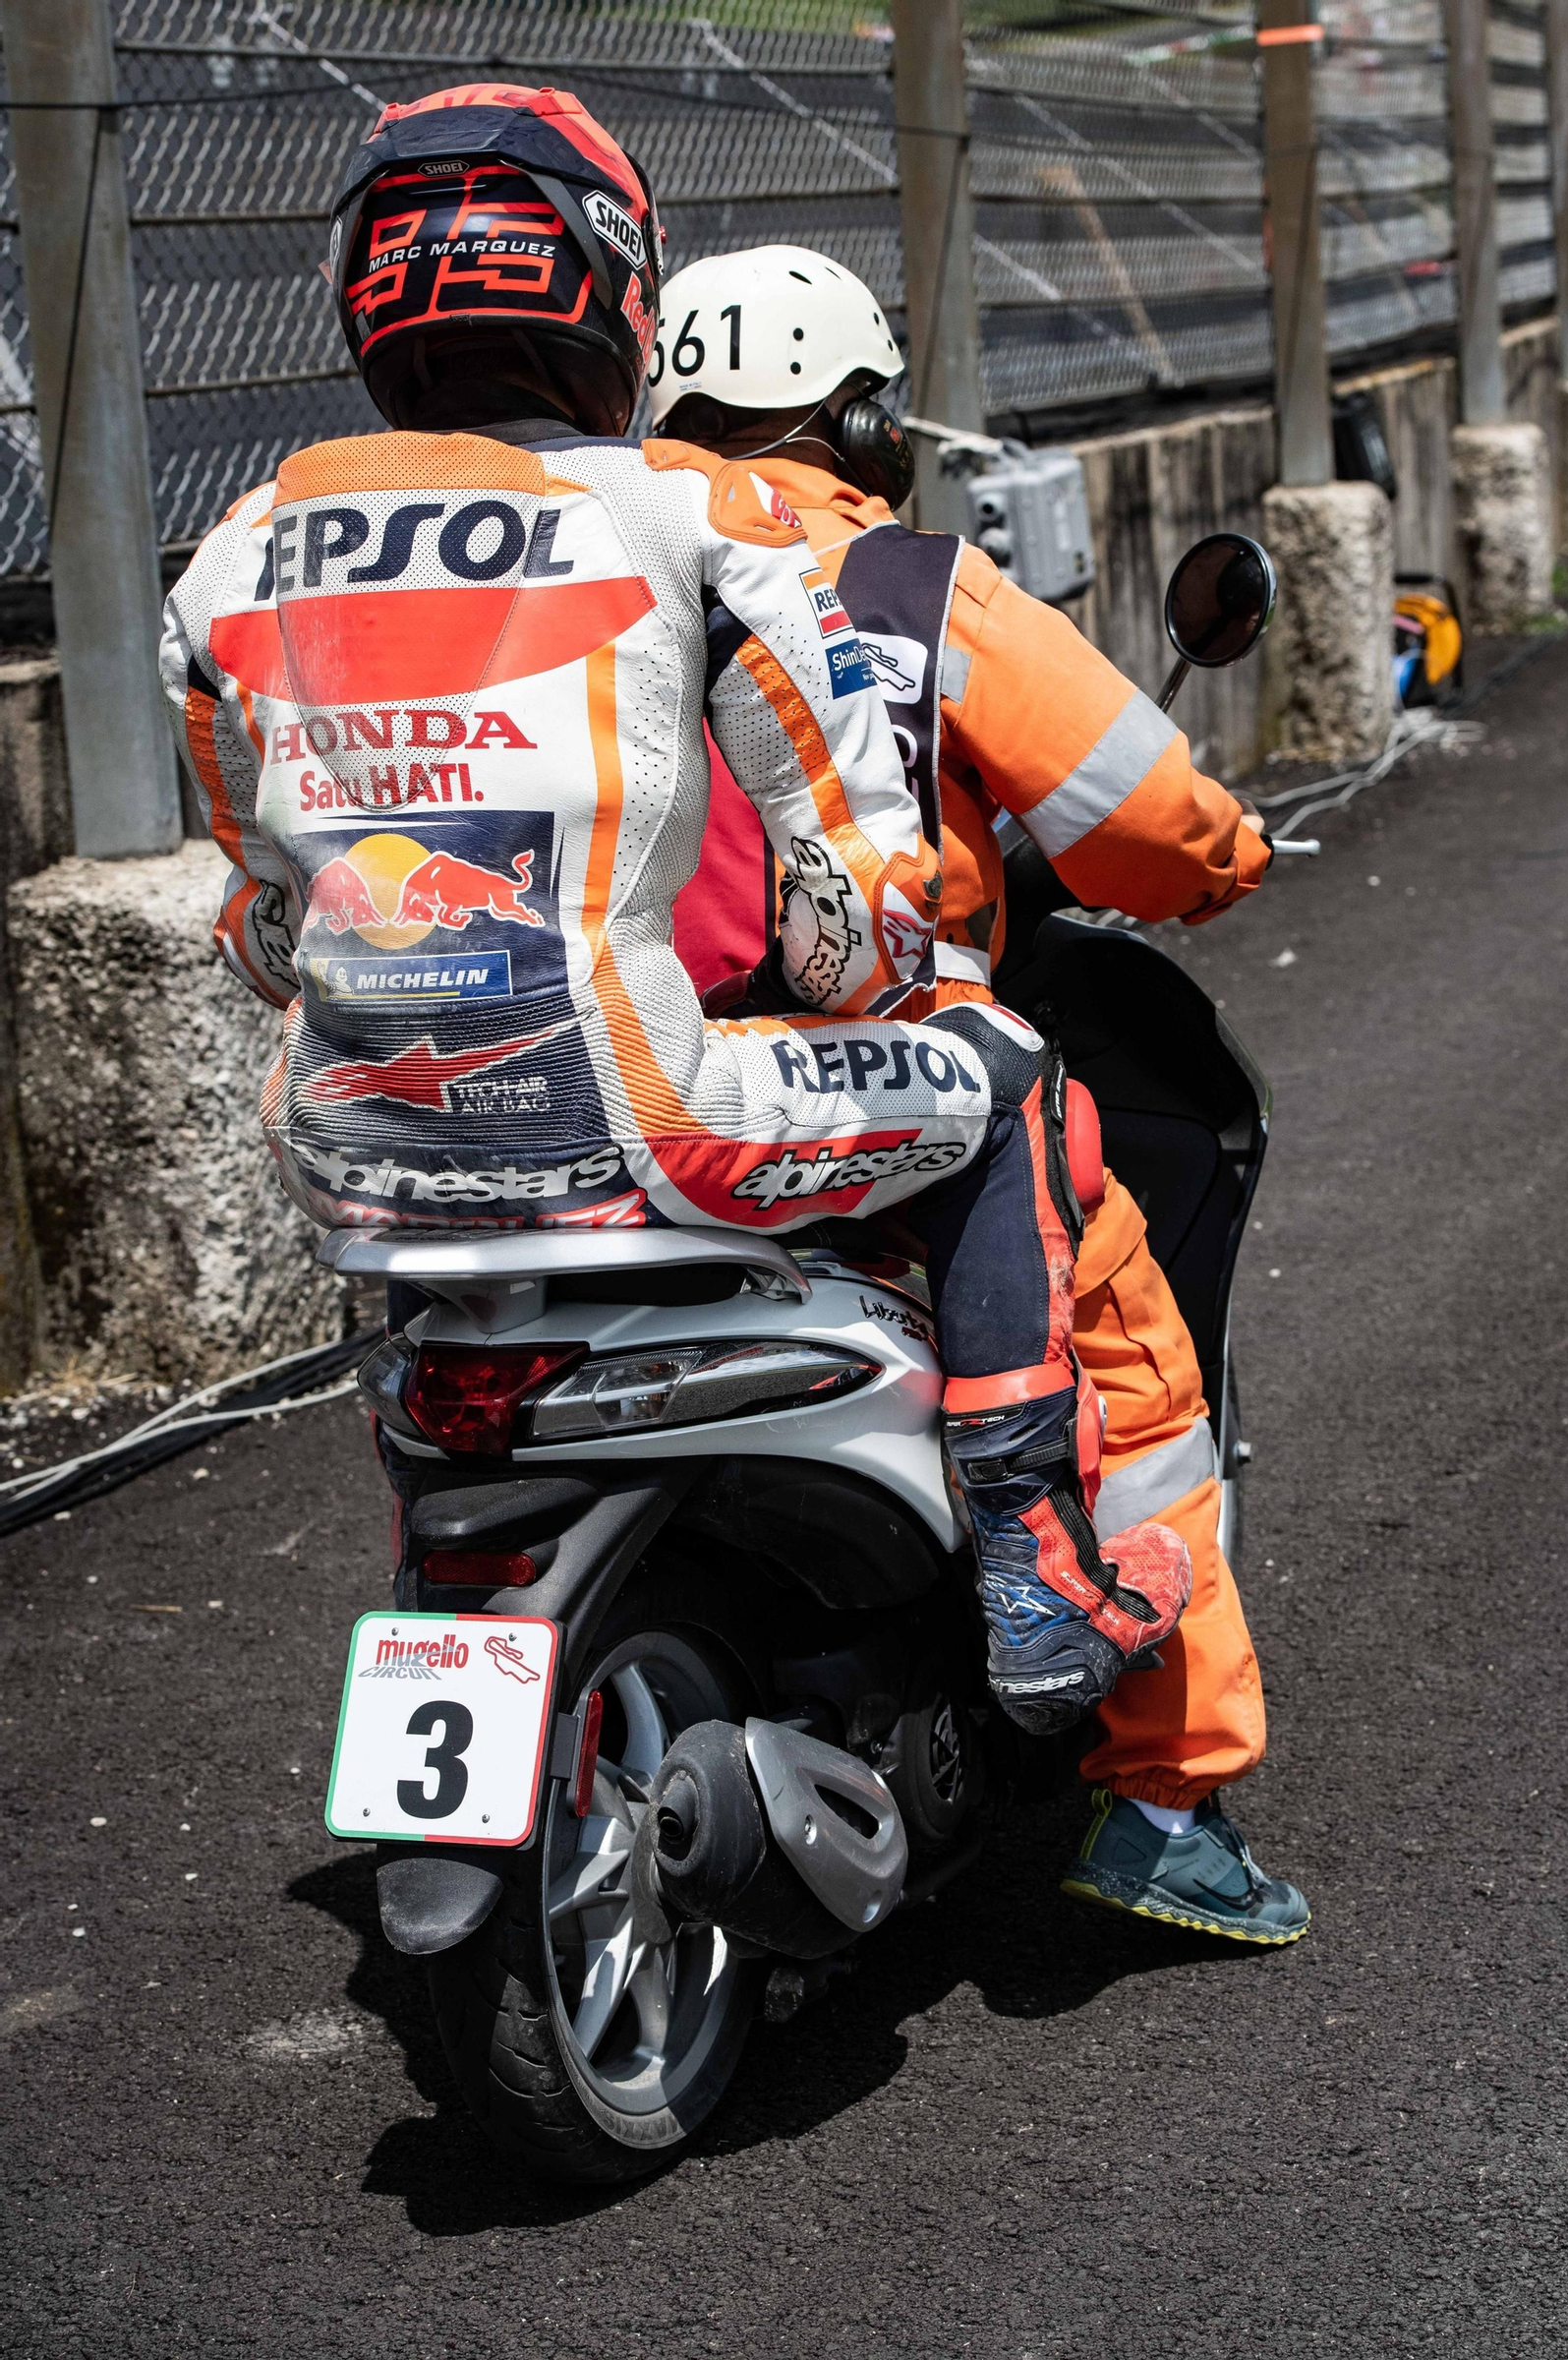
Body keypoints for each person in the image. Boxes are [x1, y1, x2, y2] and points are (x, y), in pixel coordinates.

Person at [157, 86, 1196, 1765]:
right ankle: (1029, 1557)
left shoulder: (235, 558)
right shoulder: (694, 516)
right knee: (999, 1071)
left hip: (350, 1157)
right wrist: (881, 975)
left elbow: (263, 925)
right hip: (648, 1127)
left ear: (362, 294)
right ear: (614, 285)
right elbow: (850, 900)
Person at [648, 243, 1308, 1945]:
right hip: (864, 1077)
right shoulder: (903, 577)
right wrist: (1224, 857)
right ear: (861, 415)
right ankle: (1160, 1792)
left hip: (580, 1078)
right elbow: (1148, 819)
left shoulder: (581, 540)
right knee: (1134, 1363)